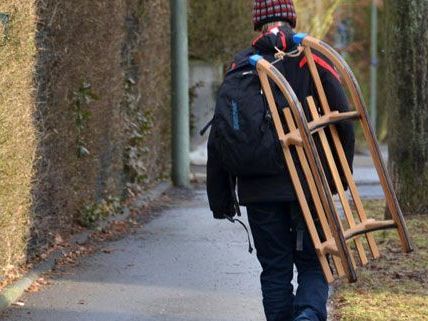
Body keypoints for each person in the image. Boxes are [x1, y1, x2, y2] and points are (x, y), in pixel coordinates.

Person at [206, 1, 355, 321]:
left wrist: (221, 198)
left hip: (258, 189)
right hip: (310, 185)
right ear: (290, 19)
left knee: (275, 269)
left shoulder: (241, 65)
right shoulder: (313, 58)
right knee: (314, 263)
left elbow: (220, 135)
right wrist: (338, 179)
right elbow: (343, 119)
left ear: (257, 25)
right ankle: (308, 316)